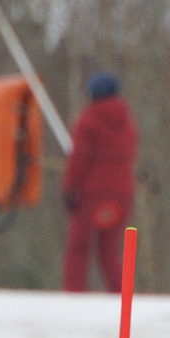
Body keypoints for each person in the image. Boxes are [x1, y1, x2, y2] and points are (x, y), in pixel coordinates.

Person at [61, 73, 138, 293]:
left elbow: (80, 159)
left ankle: (73, 296)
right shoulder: (129, 124)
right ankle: (120, 295)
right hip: (122, 193)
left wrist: (70, 189)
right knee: (109, 250)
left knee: (78, 247)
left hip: (92, 193)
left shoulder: (88, 121)